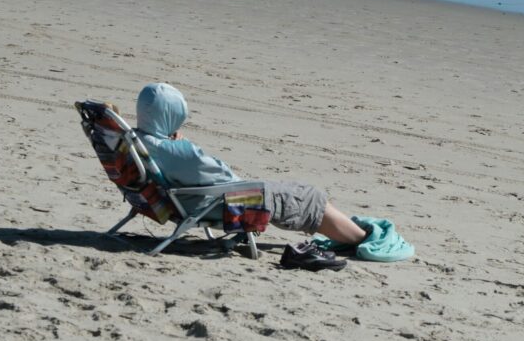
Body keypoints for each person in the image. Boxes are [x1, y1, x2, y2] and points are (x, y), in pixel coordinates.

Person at [135, 83, 369, 262]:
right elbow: (226, 178)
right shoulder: (178, 153)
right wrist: (182, 147)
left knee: (297, 194)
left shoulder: (137, 142)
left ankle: (352, 233)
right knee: (308, 197)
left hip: (181, 200)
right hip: (223, 203)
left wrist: (176, 145)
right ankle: (362, 240)